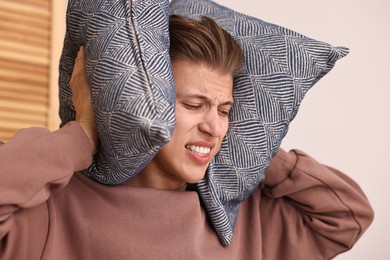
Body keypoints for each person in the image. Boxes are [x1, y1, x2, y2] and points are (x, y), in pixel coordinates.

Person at [0, 15, 373, 260]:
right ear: (142, 103)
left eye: (225, 110)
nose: (214, 126)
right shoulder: (50, 209)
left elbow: (347, 217)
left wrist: (251, 143)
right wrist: (83, 133)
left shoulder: (243, 218)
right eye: (194, 104)